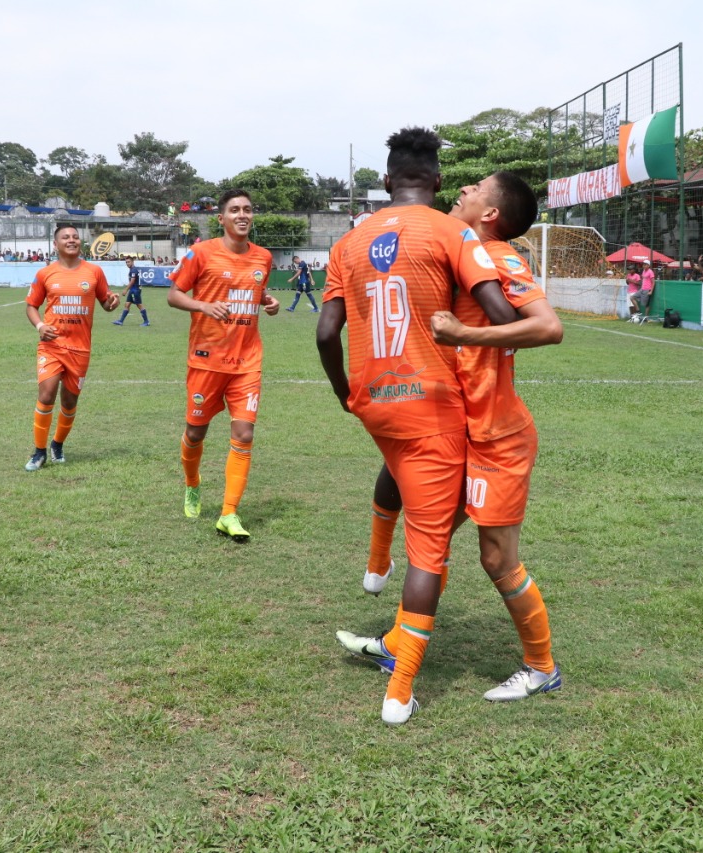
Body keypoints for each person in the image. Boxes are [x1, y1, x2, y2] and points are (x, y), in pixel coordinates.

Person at [339, 170, 566, 704]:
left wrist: (463, 334)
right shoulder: (459, 251)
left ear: (490, 215)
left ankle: (542, 667)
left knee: (497, 559)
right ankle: (398, 644)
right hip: (460, 430)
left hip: (497, 436)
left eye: (475, 189)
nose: (463, 191)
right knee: (430, 539)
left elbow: (548, 327)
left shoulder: (500, 257)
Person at [316, 127, 515, 725]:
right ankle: (399, 691)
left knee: (405, 475)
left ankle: (376, 570)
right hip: (430, 404)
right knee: (430, 550)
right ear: (435, 181)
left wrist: (345, 392)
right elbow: (504, 315)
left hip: (374, 400)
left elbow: (327, 332)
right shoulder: (452, 230)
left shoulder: (350, 240)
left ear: (385, 181)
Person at [168, 188, 280, 542]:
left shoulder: (263, 257)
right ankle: (192, 483)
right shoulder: (201, 253)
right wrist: (203, 306)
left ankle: (229, 513)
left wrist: (269, 301)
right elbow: (173, 295)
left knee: (244, 434)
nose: (242, 215)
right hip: (206, 360)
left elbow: (255, 292)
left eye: (247, 209)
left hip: (247, 361)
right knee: (195, 433)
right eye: (235, 210)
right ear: (222, 218)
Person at [23, 225, 120, 471]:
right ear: (56, 244)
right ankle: (39, 451)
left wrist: (112, 303)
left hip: (80, 349)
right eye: (66, 237)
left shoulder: (94, 272)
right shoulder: (45, 273)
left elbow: (106, 304)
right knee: (46, 395)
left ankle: (57, 444)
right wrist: (40, 326)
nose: (72, 240)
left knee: (69, 402)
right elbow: (31, 306)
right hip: (51, 346)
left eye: (75, 237)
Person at [113, 257, 150, 326]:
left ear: (133, 262)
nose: (127, 263)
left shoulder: (134, 270)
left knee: (139, 305)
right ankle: (120, 321)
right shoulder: (132, 270)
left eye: (129, 262)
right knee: (127, 305)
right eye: (126, 262)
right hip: (132, 290)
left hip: (135, 290)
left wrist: (126, 290)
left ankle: (146, 321)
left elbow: (132, 281)